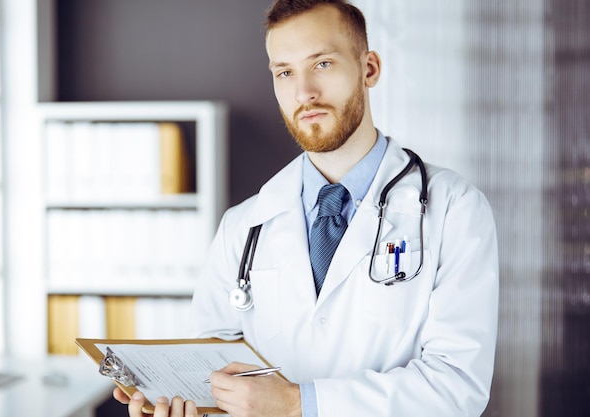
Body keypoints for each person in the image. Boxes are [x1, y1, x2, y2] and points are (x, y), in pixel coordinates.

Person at [115, 0, 499, 416]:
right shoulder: (244, 225)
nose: (304, 93)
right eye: (284, 72)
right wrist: (183, 404)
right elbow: (214, 371)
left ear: (369, 69)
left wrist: (301, 404)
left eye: (322, 64)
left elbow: (458, 387)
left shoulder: (453, 210)